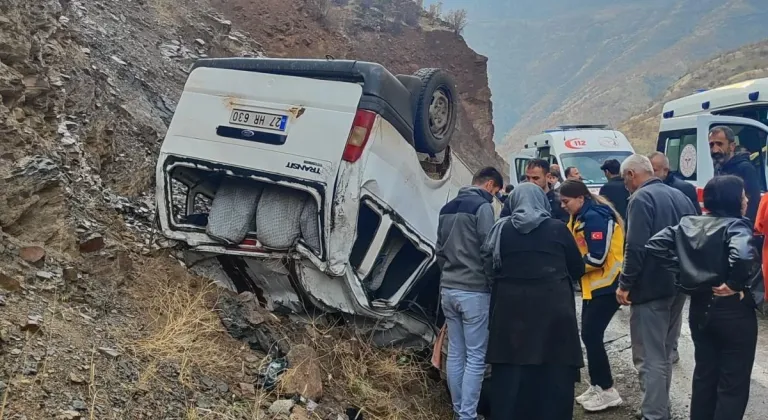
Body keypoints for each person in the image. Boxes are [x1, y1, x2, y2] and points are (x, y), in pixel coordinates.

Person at [646, 175, 761, 420]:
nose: (746, 199)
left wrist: (686, 275)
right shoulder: (736, 225)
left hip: (700, 308)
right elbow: (742, 256)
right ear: (732, 199)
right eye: (742, 195)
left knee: (704, 377)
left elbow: (656, 244)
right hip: (732, 311)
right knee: (733, 383)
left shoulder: (688, 223)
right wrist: (733, 283)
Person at [481, 183, 584, 419]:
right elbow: (577, 268)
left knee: (510, 372)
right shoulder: (558, 229)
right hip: (554, 311)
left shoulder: (501, 231)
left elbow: (489, 267)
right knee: (554, 370)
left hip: (510, 311)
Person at [615, 154, 696, 420]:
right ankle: (659, 408)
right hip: (679, 285)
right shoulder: (681, 197)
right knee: (664, 350)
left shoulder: (640, 199)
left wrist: (625, 283)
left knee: (649, 355)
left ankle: (654, 414)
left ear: (631, 175)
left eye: (625, 180)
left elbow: (636, 246)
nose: (626, 187)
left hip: (650, 286)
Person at [436, 166, 503, 420]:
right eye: (495, 192)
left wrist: (449, 274)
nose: (493, 197)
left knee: (455, 354)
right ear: (489, 185)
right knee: (476, 357)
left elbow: (439, 251)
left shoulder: (447, 208)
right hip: (474, 292)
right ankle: (467, 415)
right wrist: (490, 281)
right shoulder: (481, 207)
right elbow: (488, 248)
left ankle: (458, 412)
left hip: (449, 289)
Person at [559, 180, 625, 412]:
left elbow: (597, 257)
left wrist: (569, 268)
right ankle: (598, 384)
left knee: (591, 334)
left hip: (607, 285)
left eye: (566, 201)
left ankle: (607, 389)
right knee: (588, 335)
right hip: (592, 285)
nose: (563, 205)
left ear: (580, 198)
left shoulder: (596, 217)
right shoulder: (579, 217)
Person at [710, 125, 761, 224]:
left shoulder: (745, 168)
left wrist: (745, 227)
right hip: (721, 225)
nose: (715, 150)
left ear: (732, 146)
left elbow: (753, 202)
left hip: (739, 227)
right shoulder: (718, 167)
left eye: (719, 144)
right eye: (711, 145)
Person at [501, 159, 570, 223]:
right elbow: (503, 223)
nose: (530, 182)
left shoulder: (559, 202)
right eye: (527, 178)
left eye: (535, 178)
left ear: (548, 177)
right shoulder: (514, 199)